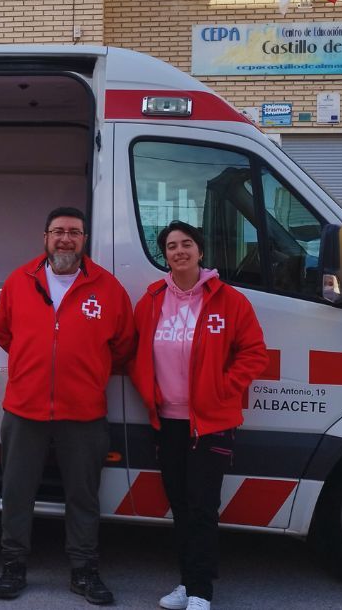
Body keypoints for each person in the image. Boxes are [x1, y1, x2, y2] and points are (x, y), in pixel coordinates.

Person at [0, 206, 137, 605]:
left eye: (74, 232)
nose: (65, 239)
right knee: (17, 492)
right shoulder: (19, 281)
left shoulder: (108, 288)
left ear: (84, 239)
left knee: (83, 496)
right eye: (58, 231)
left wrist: (85, 370)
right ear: (45, 237)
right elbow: (4, 332)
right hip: (24, 409)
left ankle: (84, 570)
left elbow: (123, 345)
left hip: (83, 412)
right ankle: (13, 565)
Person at [128, 221, 268, 610]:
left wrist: (223, 388)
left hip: (211, 422)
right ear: (165, 256)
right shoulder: (152, 299)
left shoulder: (229, 300)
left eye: (186, 244)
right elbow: (134, 350)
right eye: (171, 246)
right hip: (168, 421)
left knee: (202, 507)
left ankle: (201, 591)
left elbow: (254, 353)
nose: (179, 251)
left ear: (200, 251)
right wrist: (147, 390)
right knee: (180, 505)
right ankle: (186, 584)